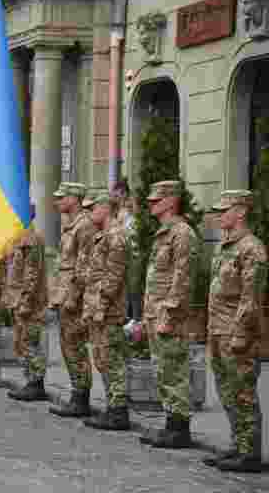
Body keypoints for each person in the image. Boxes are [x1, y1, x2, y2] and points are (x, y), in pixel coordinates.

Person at [204, 190, 266, 472]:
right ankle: (236, 444)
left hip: (237, 333)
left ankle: (250, 451)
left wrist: (241, 333)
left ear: (240, 212)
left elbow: (250, 299)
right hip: (218, 330)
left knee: (243, 391)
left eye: (224, 209)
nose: (219, 215)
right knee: (226, 390)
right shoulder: (224, 246)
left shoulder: (251, 249)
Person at [139, 180, 200, 449]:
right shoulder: (164, 233)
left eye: (157, 200)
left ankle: (180, 429)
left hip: (170, 316)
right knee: (163, 370)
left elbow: (182, 278)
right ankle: (171, 425)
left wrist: (169, 314)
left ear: (171, 202)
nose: (151, 204)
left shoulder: (182, 234)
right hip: (157, 312)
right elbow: (157, 278)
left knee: (174, 371)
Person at [81, 195, 131, 430]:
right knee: (103, 359)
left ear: (105, 209)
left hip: (109, 310)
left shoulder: (116, 237)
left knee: (112, 359)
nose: (90, 211)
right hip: (98, 308)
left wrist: (100, 306)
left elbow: (113, 277)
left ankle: (118, 411)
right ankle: (113, 407)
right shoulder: (102, 236)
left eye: (93, 208)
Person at [48, 182, 97, 418]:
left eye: (62, 197)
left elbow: (83, 265)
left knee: (75, 346)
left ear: (74, 199)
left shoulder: (84, 226)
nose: (57, 201)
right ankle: (77, 393)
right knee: (68, 347)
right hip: (64, 294)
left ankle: (81, 396)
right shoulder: (71, 225)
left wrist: (74, 296)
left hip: (73, 297)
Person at [3, 206, 50, 402]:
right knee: (23, 342)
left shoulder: (30, 239)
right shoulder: (20, 238)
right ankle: (30, 380)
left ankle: (36, 383)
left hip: (28, 303)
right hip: (18, 300)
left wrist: (25, 302)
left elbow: (31, 275)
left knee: (30, 343)